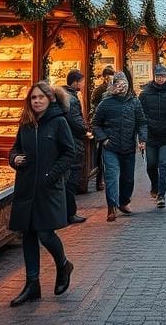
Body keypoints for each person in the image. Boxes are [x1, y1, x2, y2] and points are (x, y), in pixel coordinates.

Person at [8, 83, 75, 306]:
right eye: (33, 97)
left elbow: (69, 153)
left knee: (46, 234)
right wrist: (14, 159)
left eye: (40, 97)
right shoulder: (26, 123)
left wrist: (51, 176)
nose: (36, 101)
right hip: (26, 187)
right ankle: (32, 284)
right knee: (28, 235)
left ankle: (63, 264)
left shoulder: (59, 122)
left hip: (48, 188)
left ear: (50, 99)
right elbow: (15, 148)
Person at [92, 72, 148, 221]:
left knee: (128, 178)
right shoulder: (106, 103)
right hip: (110, 146)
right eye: (119, 84)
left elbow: (141, 122)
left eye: (124, 83)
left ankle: (124, 202)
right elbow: (95, 123)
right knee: (111, 177)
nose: (122, 87)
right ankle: (112, 207)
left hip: (128, 146)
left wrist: (142, 138)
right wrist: (103, 139)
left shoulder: (134, 102)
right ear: (113, 85)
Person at [139, 64, 166, 209]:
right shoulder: (145, 92)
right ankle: (155, 185)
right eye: (158, 76)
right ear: (154, 76)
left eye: (162, 76)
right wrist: (145, 127)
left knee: (163, 164)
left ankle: (161, 195)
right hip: (151, 134)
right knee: (151, 164)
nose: (160, 79)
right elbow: (141, 113)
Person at [61, 69, 92, 224]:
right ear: (75, 82)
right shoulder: (72, 100)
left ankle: (65, 212)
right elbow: (76, 121)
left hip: (68, 142)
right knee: (71, 179)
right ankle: (69, 213)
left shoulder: (64, 96)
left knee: (67, 179)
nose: (83, 84)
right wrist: (86, 130)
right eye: (82, 81)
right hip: (73, 143)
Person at [90, 66, 115, 191]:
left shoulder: (115, 89)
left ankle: (104, 179)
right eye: (108, 75)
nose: (109, 78)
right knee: (100, 155)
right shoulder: (99, 90)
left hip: (110, 126)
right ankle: (99, 180)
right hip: (101, 125)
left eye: (111, 75)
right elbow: (94, 106)